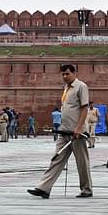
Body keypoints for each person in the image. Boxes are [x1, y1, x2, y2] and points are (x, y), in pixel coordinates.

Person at [27, 64, 93, 199]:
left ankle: (86, 189)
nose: (65, 76)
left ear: (74, 73)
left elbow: (84, 108)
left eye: (67, 74)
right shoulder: (66, 88)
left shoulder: (81, 86)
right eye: (63, 74)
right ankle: (44, 188)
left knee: (82, 161)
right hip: (64, 131)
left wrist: (79, 128)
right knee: (56, 158)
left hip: (76, 132)